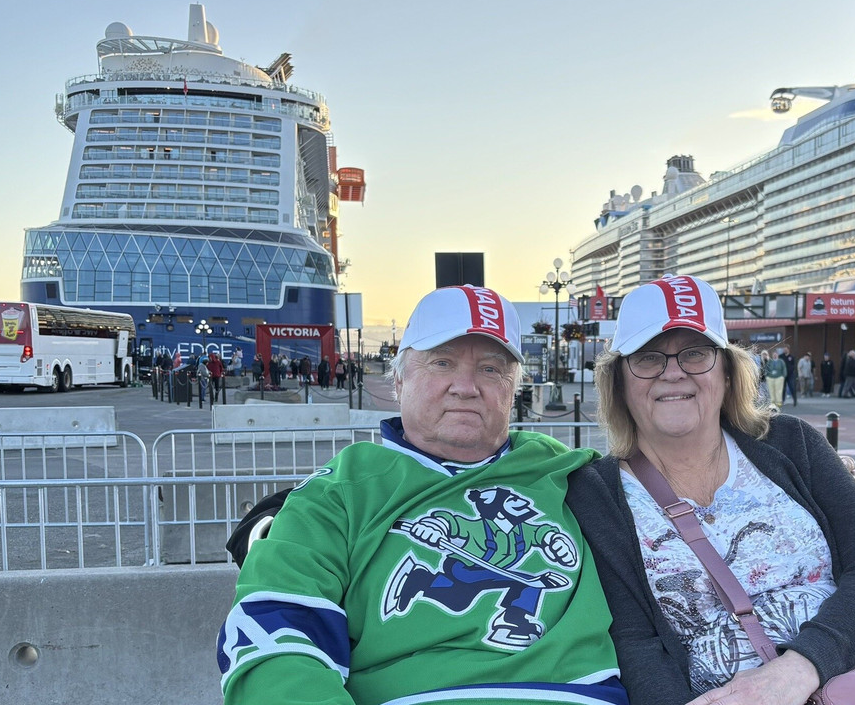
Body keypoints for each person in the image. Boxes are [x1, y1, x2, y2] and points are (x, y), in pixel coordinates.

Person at [217, 285, 626, 705]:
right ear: (398, 378)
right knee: (459, 586)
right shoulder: (340, 492)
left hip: (580, 694)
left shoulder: (570, 472)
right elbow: (274, 641)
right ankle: (422, 581)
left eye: (490, 369)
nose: (465, 387)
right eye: (442, 362)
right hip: (418, 693)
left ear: (513, 388)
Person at [565, 274, 855, 705]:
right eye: (648, 358)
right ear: (619, 382)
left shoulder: (792, 444)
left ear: (727, 372)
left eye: (695, 354)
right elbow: (636, 641)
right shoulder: (597, 493)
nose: (673, 374)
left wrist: (799, 668)